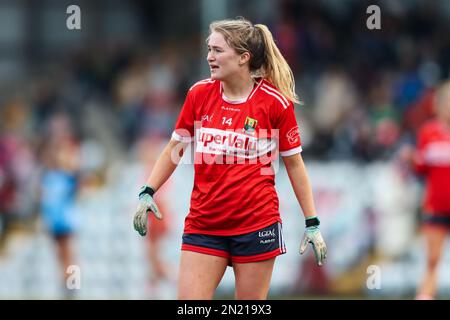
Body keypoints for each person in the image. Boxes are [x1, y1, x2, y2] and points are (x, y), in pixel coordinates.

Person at [133, 17, 327, 300]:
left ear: (243, 58)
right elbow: (174, 148)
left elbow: (295, 165)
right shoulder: (199, 94)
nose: (209, 57)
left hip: (256, 226)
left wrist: (312, 222)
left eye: (218, 50)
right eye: (209, 49)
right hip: (204, 225)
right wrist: (148, 191)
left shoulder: (275, 103)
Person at [411, 81, 450, 300]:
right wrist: (411, 161)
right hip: (436, 206)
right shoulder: (428, 133)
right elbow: (421, 168)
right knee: (433, 260)